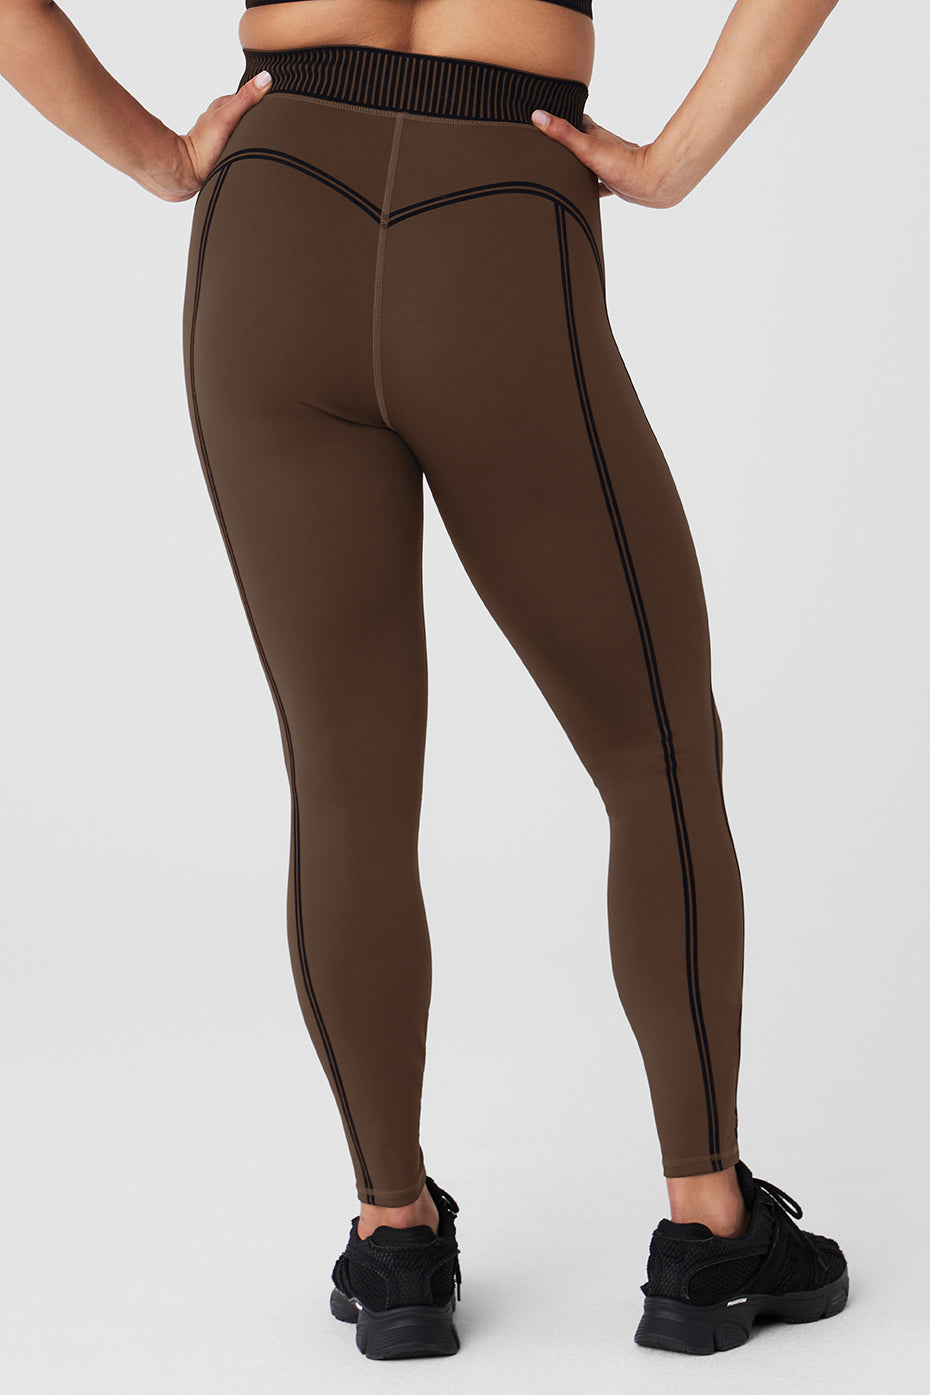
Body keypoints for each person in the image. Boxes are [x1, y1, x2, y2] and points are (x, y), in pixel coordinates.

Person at [1, 0, 849, 1363]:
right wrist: (675, 158)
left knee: (345, 780)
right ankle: (709, 1228)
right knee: (656, 756)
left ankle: (393, 1238)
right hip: (497, 204)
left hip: (274, 212)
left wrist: (163, 158)